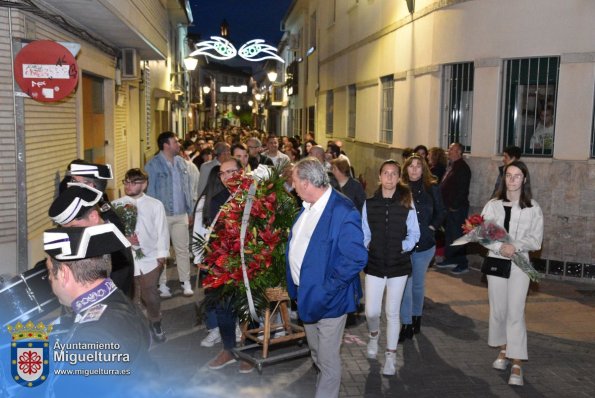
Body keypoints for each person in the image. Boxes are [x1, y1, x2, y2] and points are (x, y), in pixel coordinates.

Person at [287, 158, 368, 398]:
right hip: (307, 296)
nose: (292, 187)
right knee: (316, 353)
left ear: (306, 183)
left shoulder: (343, 211)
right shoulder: (307, 205)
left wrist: (326, 288)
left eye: (294, 182)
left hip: (331, 299)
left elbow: (356, 257)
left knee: (328, 359)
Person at [43, 224, 155, 397]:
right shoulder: (114, 298)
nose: (49, 278)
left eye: (50, 271)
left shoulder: (92, 338)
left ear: (64, 273)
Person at [480, 161, 543, 386]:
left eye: (517, 176)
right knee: (499, 310)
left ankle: (517, 361)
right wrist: (500, 248)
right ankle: (503, 349)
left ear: (524, 179)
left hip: (520, 264)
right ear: (504, 178)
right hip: (497, 262)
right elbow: (483, 234)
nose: (513, 180)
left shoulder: (533, 208)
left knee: (515, 311)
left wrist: (514, 246)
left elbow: (536, 240)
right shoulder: (493, 205)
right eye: (509, 175)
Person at [362, 160, 419, 376]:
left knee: (392, 312)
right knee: (371, 311)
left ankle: (390, 356)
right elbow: (364, 232)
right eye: (386, 173)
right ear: (380, 176)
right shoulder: (369, 204)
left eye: (394, 173)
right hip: (375, 264)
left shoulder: (407, 203)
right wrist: (369, 245)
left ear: (398, 177)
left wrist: (402, 247)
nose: (389, 177)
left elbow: (415, 234)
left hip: (398, 265)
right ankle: (374, 335)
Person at [205, 158, 253, 373]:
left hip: (250, 263)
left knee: (249, 309)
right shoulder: (218, 200)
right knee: (224, 308)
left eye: (230, 172)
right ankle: (229, 349)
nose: (226, 177)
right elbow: (214, 234)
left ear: (242, 172)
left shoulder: (254, 196)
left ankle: (249, 352)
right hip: (225, 263)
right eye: (222, 174)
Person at [112, 168, 170, 343]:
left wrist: (162, 256)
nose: (128, 186)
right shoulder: (116, 205)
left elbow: (162, 230)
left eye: (133, 182)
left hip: (150, 258)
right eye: (126, 182)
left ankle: (155, 321)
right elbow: (109, 232)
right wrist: (125, 238)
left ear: (144, 184)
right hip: (127, 259)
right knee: (131, 297)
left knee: (150, 295)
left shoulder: (155, 204)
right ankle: (136, 329)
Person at [48, 184, 135, 297]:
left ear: (94, 217)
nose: (69, 233)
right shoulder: (94, 240)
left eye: (73, 227)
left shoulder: (115, 249)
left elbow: (111, 295)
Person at [399, 155, 445, 340]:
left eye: (418, 166)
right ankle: (406, 324)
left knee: (417, 285)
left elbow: (441, 211)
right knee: (406, 285)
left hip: (425, 245)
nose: (415, 169)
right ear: (406, 169)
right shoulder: (400, 189)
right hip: (404, 245)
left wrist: (431, 227)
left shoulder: (431, 187)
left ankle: (416, 317)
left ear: (423, 168)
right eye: (411, 166)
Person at [145, 131, 194, 297]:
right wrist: (151, 217)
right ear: (166, 145)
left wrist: (190, 210)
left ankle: (185, 281)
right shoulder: (152, 165)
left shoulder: (182, 163)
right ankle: (162, 284)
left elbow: (187, 189)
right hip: (162, 216)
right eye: (175, 142)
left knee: (183, 249)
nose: (179, 144)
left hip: (181, 214)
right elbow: (150, 193)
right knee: (162, 251)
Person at [436, 142, 471, 275]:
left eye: (452, 149)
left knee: (458, 236)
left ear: (459, 152)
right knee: (450, 236)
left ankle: (462, 263)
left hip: (457, 209)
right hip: (448, 208)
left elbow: (462, 190)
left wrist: (454, 206)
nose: (448, 151)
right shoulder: (452, 166)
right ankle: (450, 259)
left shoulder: (462, 168)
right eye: (449, 149)